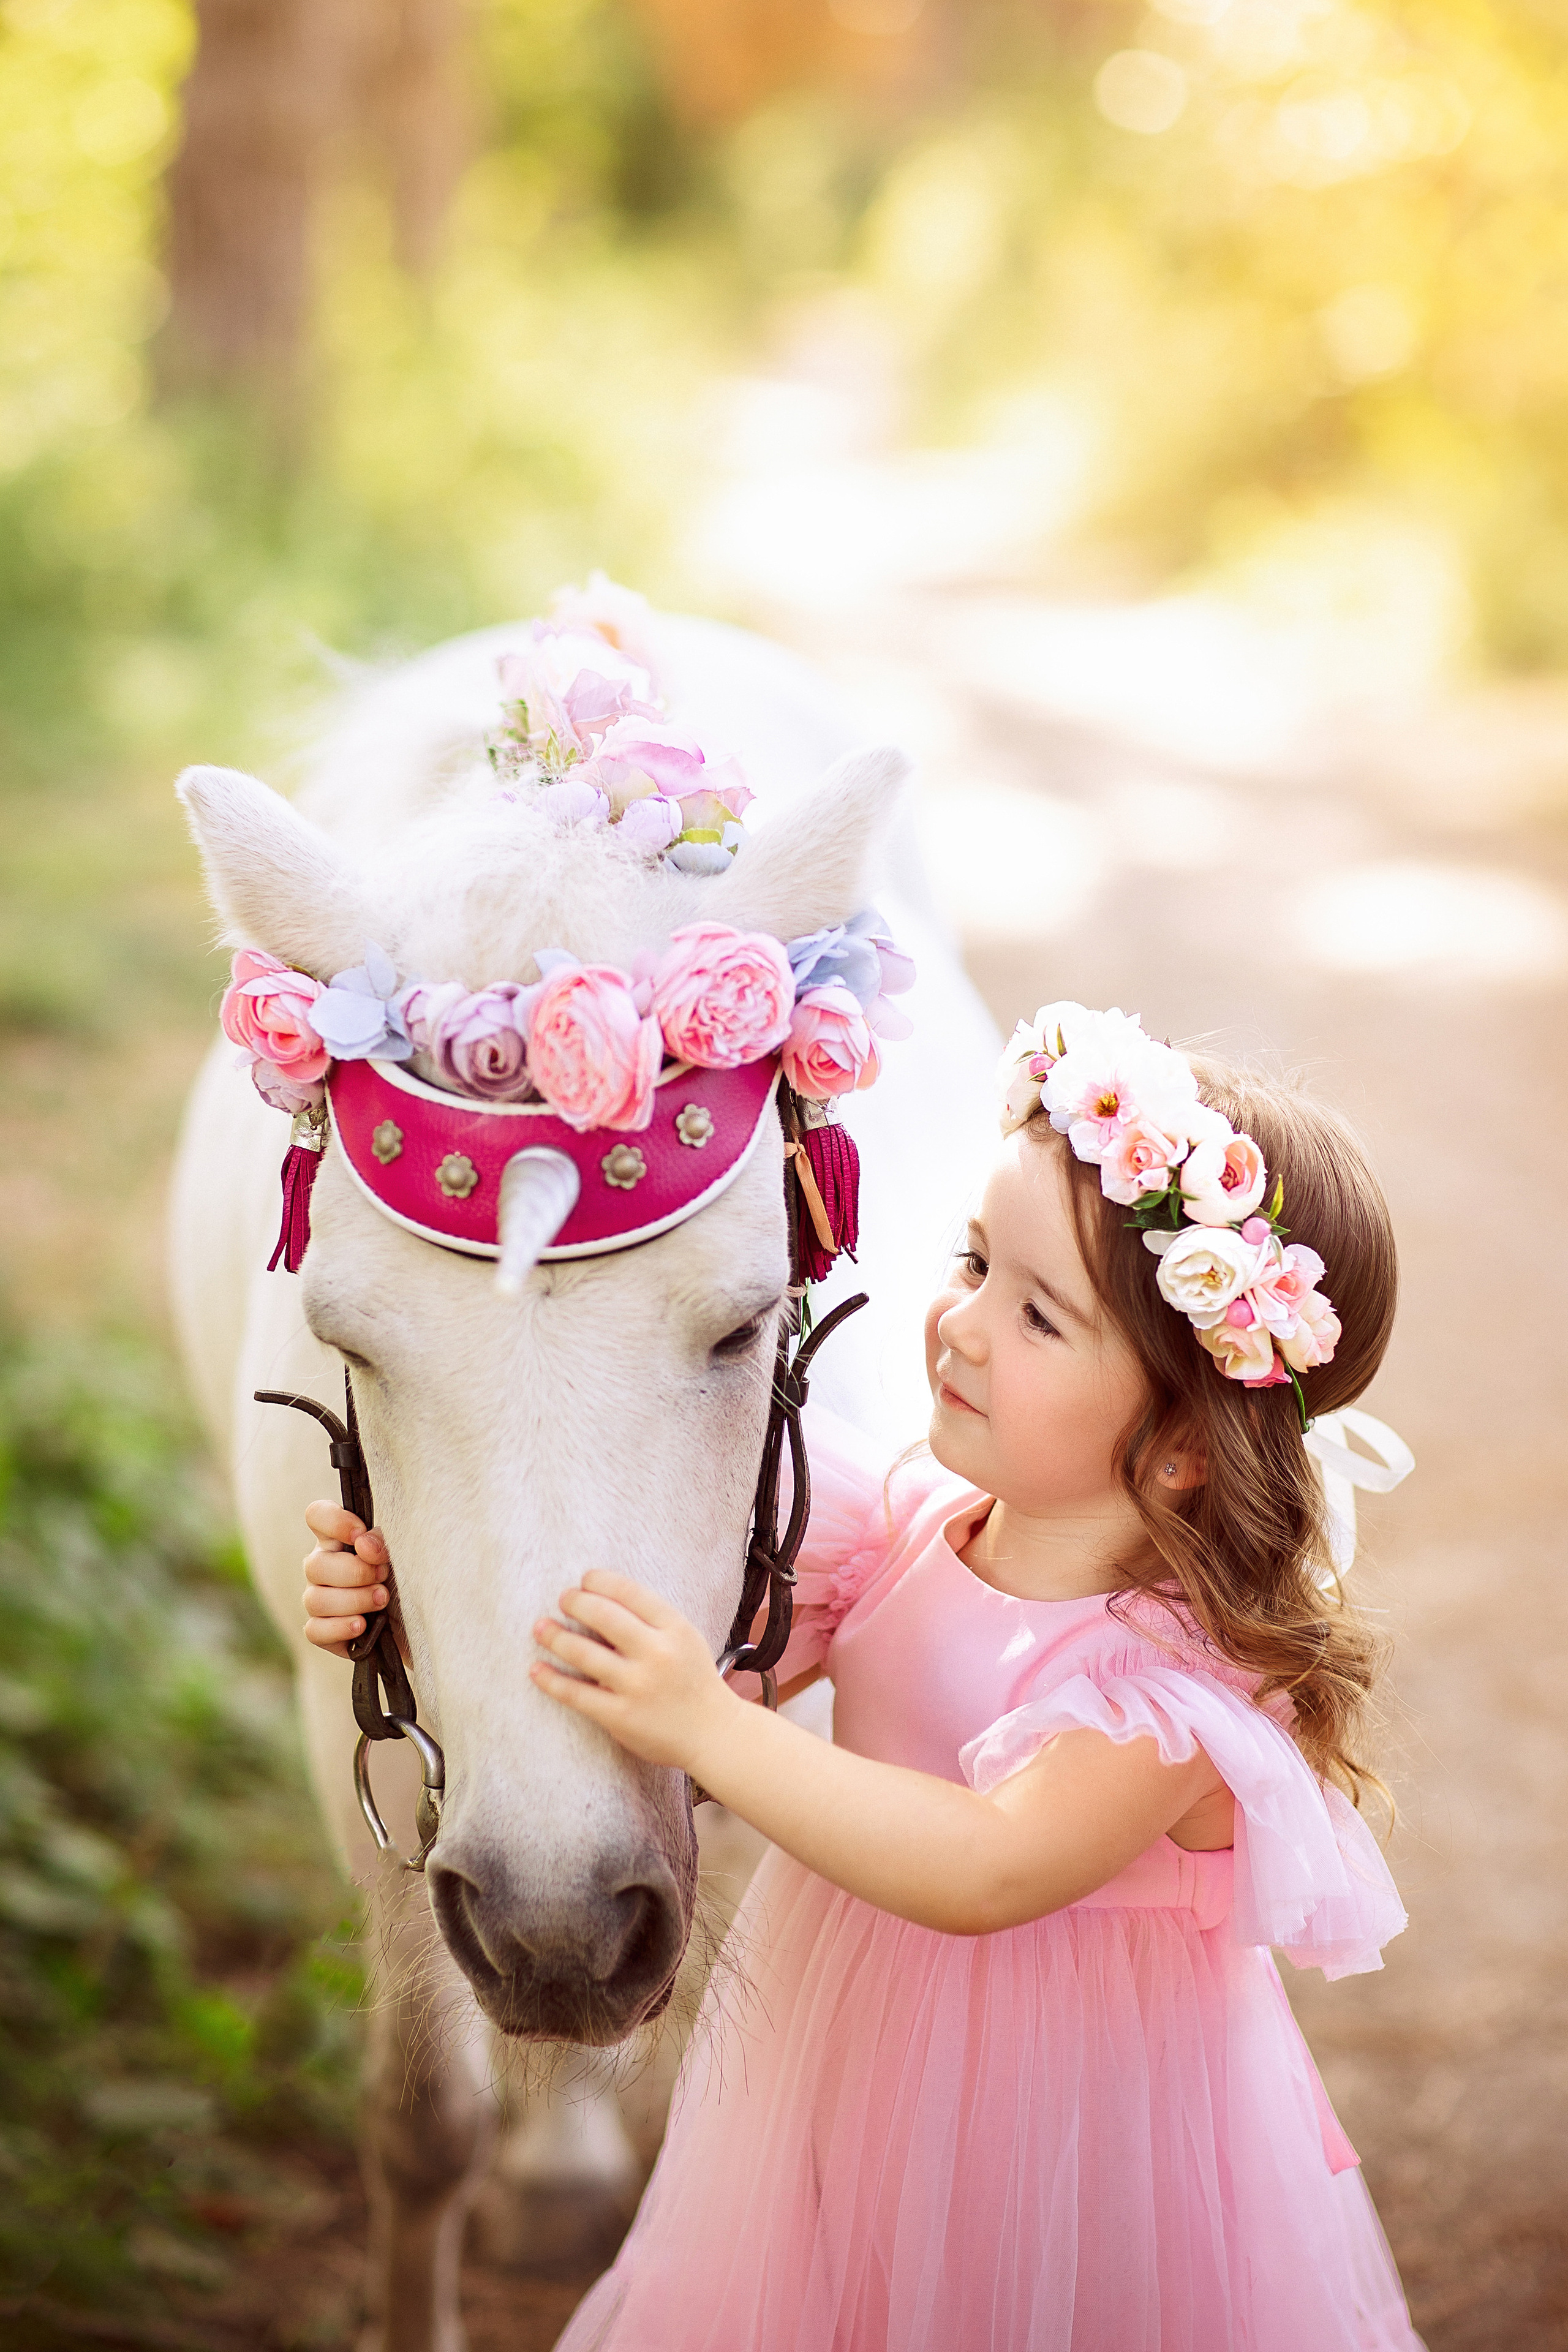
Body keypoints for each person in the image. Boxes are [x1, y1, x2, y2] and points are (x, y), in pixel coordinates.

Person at [303, 1004, 1423, 2351]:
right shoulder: (894, 1534)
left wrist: (705, 1728)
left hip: (1048, 2144)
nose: (956, 1323)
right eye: (971, 1261)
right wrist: (412, 1627)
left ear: (1183, 1442)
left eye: (1036, 1316)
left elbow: (983, 1870)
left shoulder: (1164, 1694)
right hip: (844, 2076)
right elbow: (681, 1666)